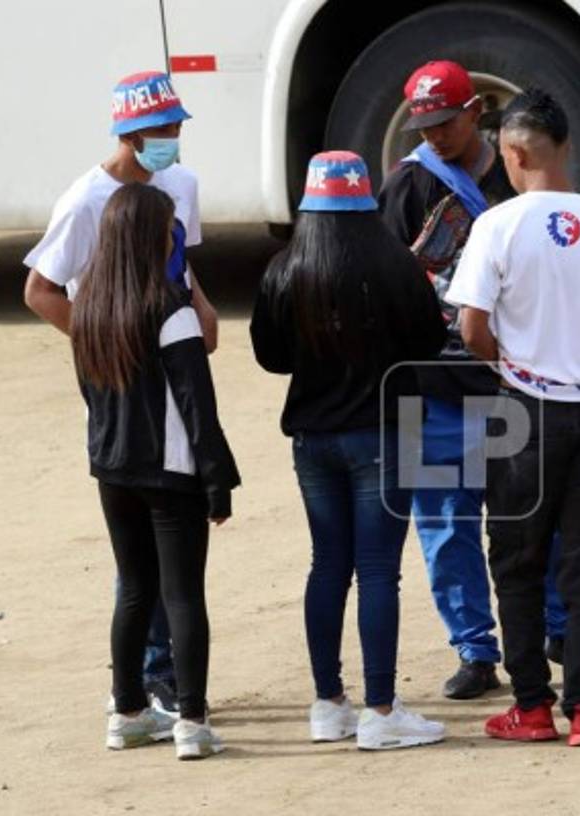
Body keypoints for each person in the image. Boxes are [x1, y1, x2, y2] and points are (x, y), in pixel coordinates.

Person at [446, 89, 580, 747]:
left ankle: (532, 706)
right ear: (564, 146)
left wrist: (512, 365)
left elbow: (470, 326)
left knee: (516, 560)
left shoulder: (497, 225)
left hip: (522, 413)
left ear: (511, 151)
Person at [23, 70, 219, 713]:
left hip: (175, 353)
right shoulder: (84, 202)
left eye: (178, 127)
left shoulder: (180, 185)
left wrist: (198, 308)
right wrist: (112, 347)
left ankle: (158, 680)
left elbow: (177, 261)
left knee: (168, 522)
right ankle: (148, 678)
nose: (175, 140)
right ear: (131, 134)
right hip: (118, 380)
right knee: (143, 535)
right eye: (164, 130)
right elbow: (41, 291)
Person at [378, 59, 565, 699]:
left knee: (530, 520)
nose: (434, 134)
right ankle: (474, 650)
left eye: (446, 121)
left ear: (477, 111)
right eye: (424, 124)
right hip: (425, 394)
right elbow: (380, 290)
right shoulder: (404, 188)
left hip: (510, 387)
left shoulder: (521, 181)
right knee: (443, 528)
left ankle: (553, 634)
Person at [251, 151, 449, 751]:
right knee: (379, 571)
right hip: (386, 434)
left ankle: (327, 702)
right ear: (367, 202)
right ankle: (381, 710)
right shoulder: (396, 266)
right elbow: (429, 341)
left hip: (313, 440)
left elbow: (271, 356)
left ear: (309, 205)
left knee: (327, 565)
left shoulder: (287, 269)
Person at [72, 183, 238, 760]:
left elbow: (91, 397)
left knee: (135, 591)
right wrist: (219, 482)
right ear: (151, 235)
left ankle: (127, 713)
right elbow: (198, 406)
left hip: (112, 471)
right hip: (170, 473)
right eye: (169, 226)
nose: (175, 234)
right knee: (183, 594)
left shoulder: (89, 308)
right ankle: (192, 723)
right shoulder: (172, 309)